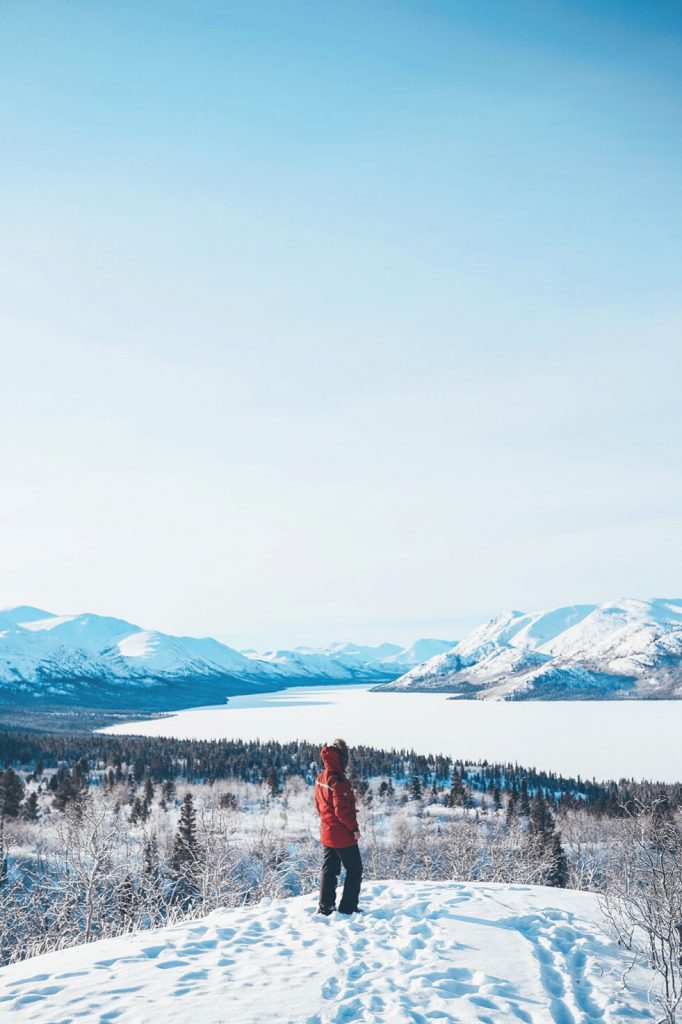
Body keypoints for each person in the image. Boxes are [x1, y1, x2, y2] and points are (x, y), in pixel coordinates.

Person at [314, 738, 363, 915]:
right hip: (342, 834)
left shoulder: (321, 777)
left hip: (327, 832)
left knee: (329, 869)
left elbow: (318, 805)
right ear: (342, 758)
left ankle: (325, 907)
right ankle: (348, 908)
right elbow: (342, 811)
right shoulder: (339, 781)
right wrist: (354, 829)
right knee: (355, 869)